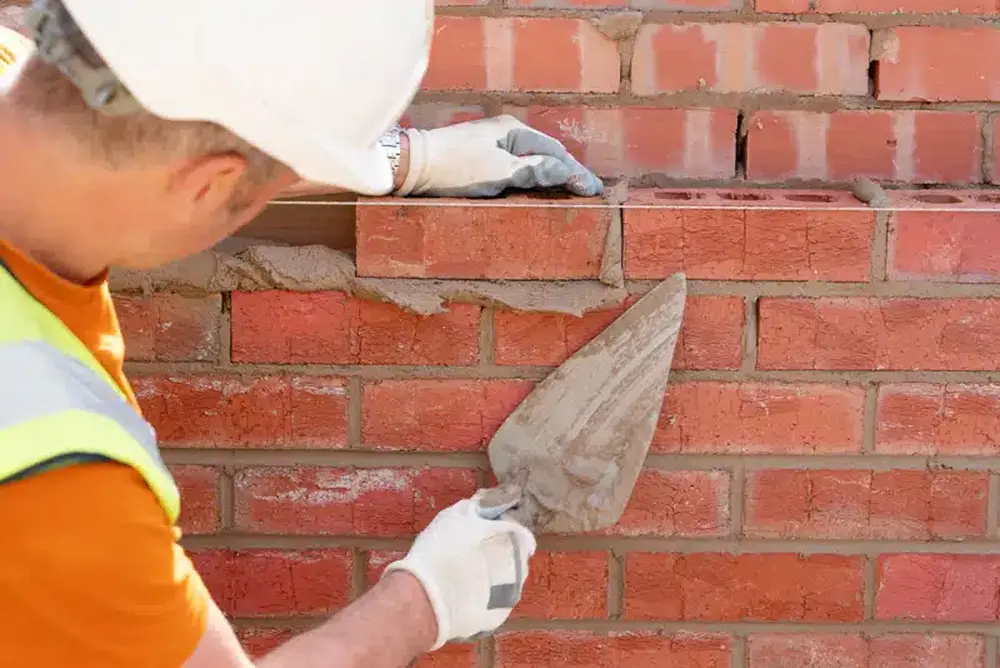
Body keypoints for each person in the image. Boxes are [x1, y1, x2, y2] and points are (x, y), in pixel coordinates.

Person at [0, 1, 604, 666]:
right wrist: (424, 601)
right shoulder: (53, 479)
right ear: (210, 186)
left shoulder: (33, 79)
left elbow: (147, 130)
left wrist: (408, 160)